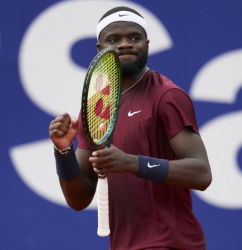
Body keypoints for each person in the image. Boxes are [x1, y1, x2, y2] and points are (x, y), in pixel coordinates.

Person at [48, 6, 212, 250]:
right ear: (99, 49)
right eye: (113, 39)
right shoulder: (95, 108)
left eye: (134, 38)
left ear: (146, 44)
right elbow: (79, 199)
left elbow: (201, 173)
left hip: (171, 243)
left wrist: (132, 163)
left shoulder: (166, 96)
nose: (125, 44)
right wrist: (63, 152)